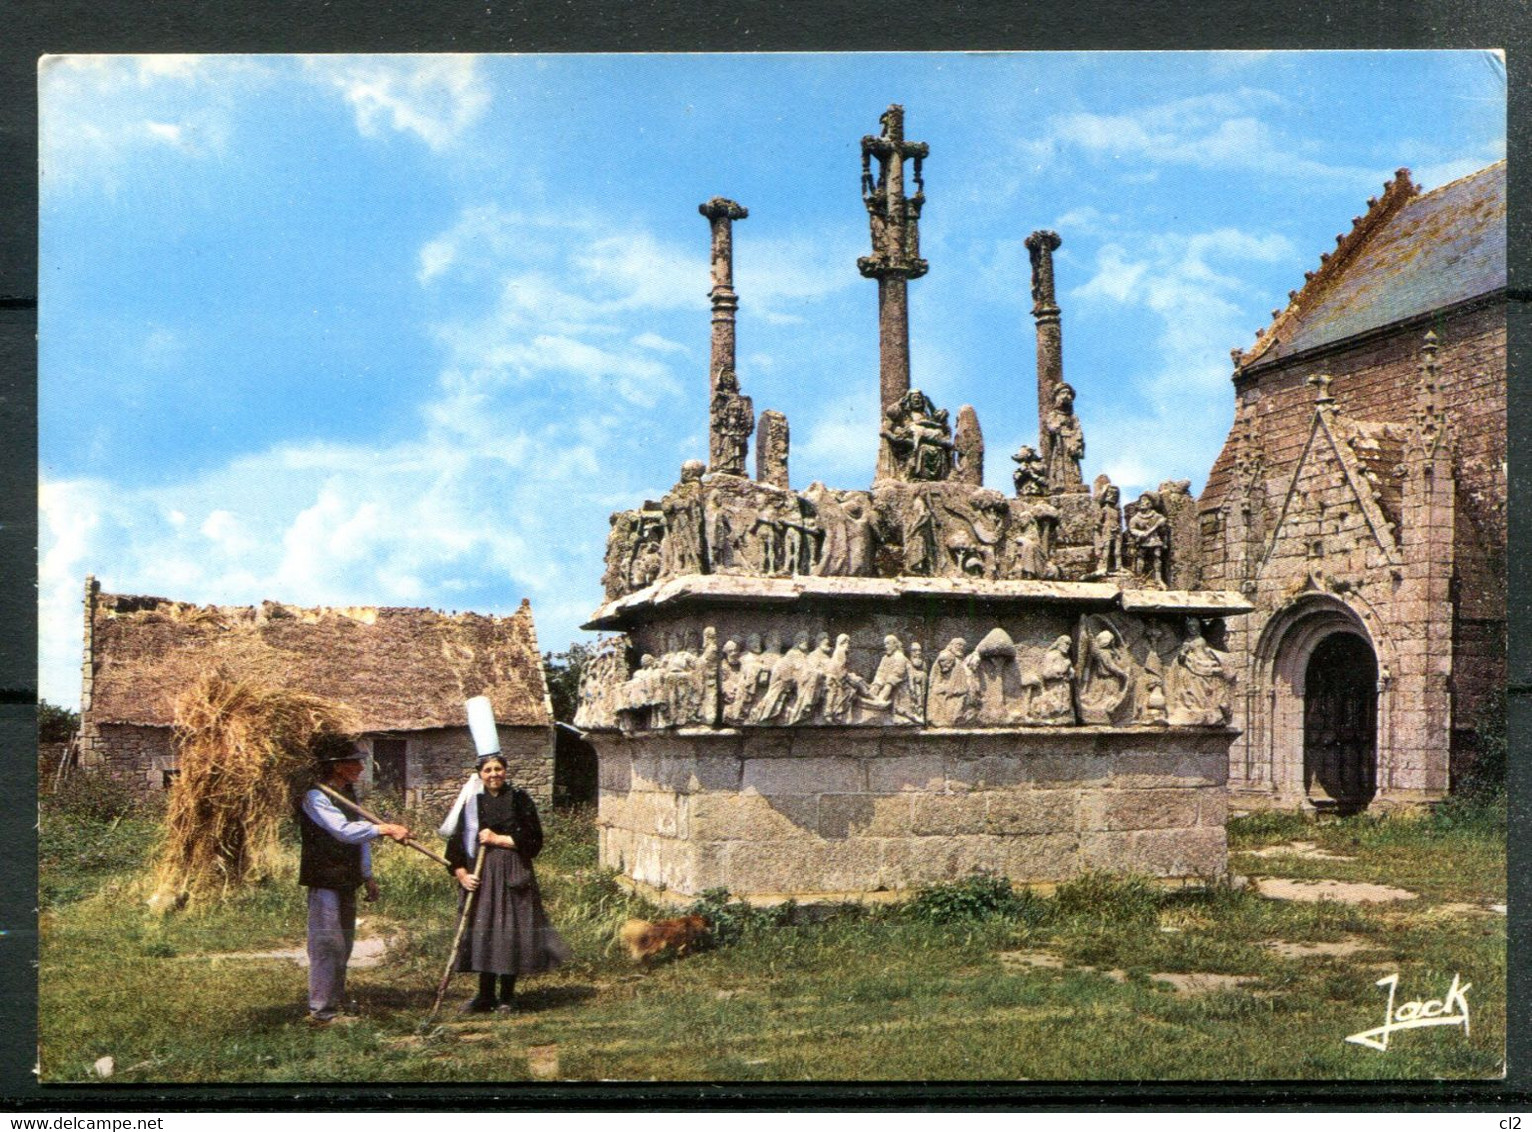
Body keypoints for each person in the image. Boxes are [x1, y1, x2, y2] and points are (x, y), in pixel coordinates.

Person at [441, 754, 570, 1014]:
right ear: (479, 774)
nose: (493, 774)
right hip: (481, 875)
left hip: (513, 872)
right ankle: (484, 995)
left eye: (498, 769)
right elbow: (455, 845)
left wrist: (498, 839)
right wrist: (461, 873)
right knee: (484, 931)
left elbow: (534, 840)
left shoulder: (520, 799)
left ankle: (507, 997)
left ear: (506, 771)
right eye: (487, 770)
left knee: (509, 932)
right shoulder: (472, 803)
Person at [298, 735, 411, 1027]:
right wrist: (385, 828)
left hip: (347, 879)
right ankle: (321, 1012)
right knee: (326, 944)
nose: (361, 767)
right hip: (324, 878)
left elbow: (360, 841)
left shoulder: (347, 794)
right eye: (355, 762)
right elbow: (344, 831)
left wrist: (368, 875)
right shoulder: (315, 796)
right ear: (336, 767)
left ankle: (333, 1002)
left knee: (344, 944)